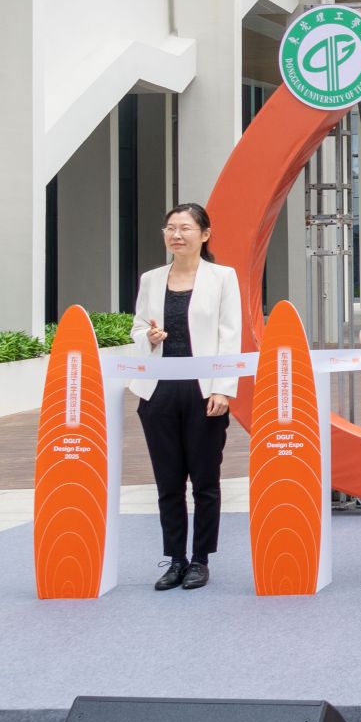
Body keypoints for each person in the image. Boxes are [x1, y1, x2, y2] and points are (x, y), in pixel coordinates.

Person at [128, 202, 242, 591]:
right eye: (170, 228)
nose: (176, 235)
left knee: (205, 481)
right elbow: (137, 327)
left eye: (185, 228)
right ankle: (175, 559)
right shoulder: (151, 279)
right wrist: (149, 336)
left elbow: (230, 335)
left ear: (205, 234)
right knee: (168, 482)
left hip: (203, 391)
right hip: (158, 390)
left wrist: (223, 388)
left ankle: (200, 559)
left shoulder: (222, 277)